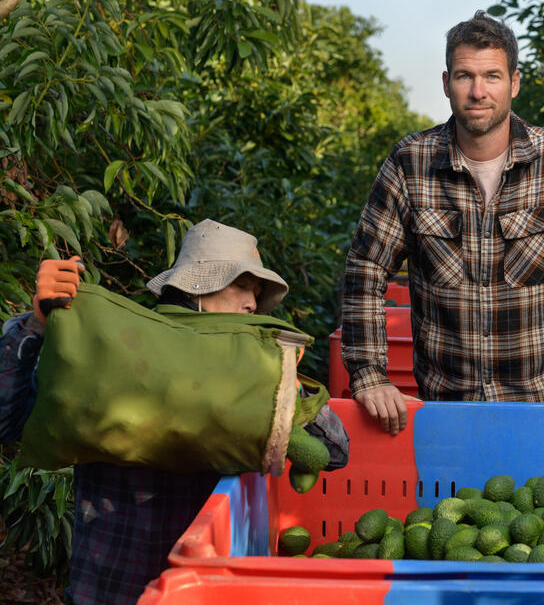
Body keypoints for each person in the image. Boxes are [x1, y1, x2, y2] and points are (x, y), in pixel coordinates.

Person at [340, 10, 544, 446]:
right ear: (447, 83)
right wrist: (369, 374)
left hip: (543, 412)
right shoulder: (409, 164)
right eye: (465, 76)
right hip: (445, 412)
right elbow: (366, 272)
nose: (478, 91)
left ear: (515, 83)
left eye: (492, 76)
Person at [0, 219, 348, 605]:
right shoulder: (112, 354)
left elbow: (333, 452)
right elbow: (6, 420)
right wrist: (35, 324)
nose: (252, 302)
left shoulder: (253, 381)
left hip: (200, 590)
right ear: (196, 285)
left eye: (257, 292)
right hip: (112, 590)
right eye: (242, 285)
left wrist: (286, 387)